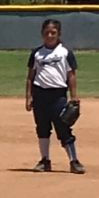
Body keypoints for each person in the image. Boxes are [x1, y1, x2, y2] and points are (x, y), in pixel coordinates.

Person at [26, 17, 85, 174]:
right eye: (47, 33)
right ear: (42, 34)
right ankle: (45, 160)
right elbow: (31, 76)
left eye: (53, 32)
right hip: (40, 95)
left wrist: (74, 96)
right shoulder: (37, 53)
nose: (50, 35)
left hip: (58, 95)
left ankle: (74, 161)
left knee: (63, 127)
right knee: (42, 128)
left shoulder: (65, 52)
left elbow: (71, 75)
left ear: (59, 34)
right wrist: (29, 96)